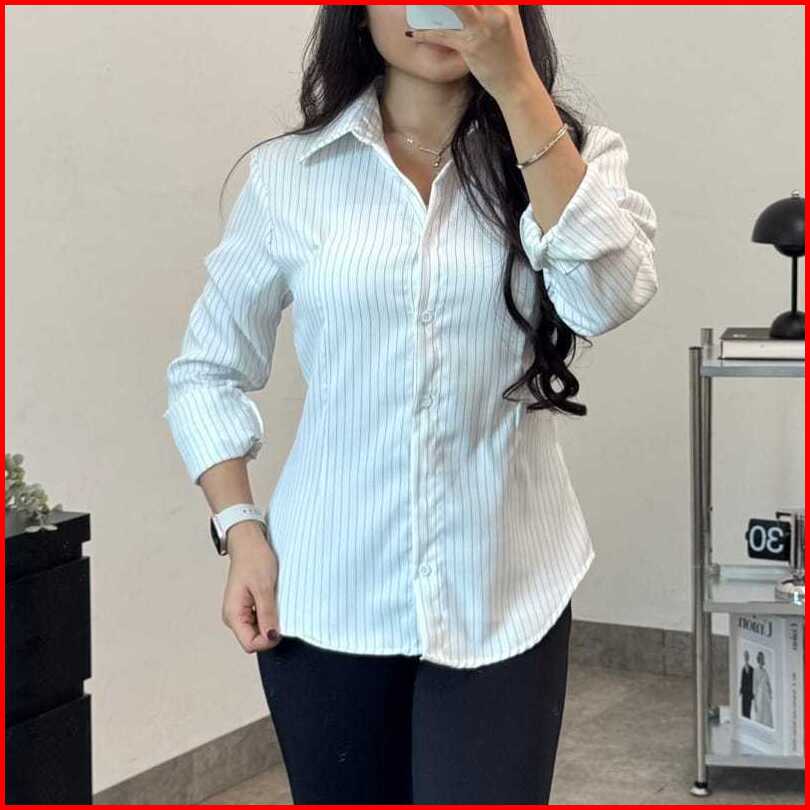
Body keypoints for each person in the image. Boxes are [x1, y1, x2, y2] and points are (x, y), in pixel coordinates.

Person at [164, 5, 659, 804]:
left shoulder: (573, 156)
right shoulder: (291, 176)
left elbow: (603, 299)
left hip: (507, 591)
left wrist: (516, 83)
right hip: (327, 595)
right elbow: (205, 370)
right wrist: (240, 530)